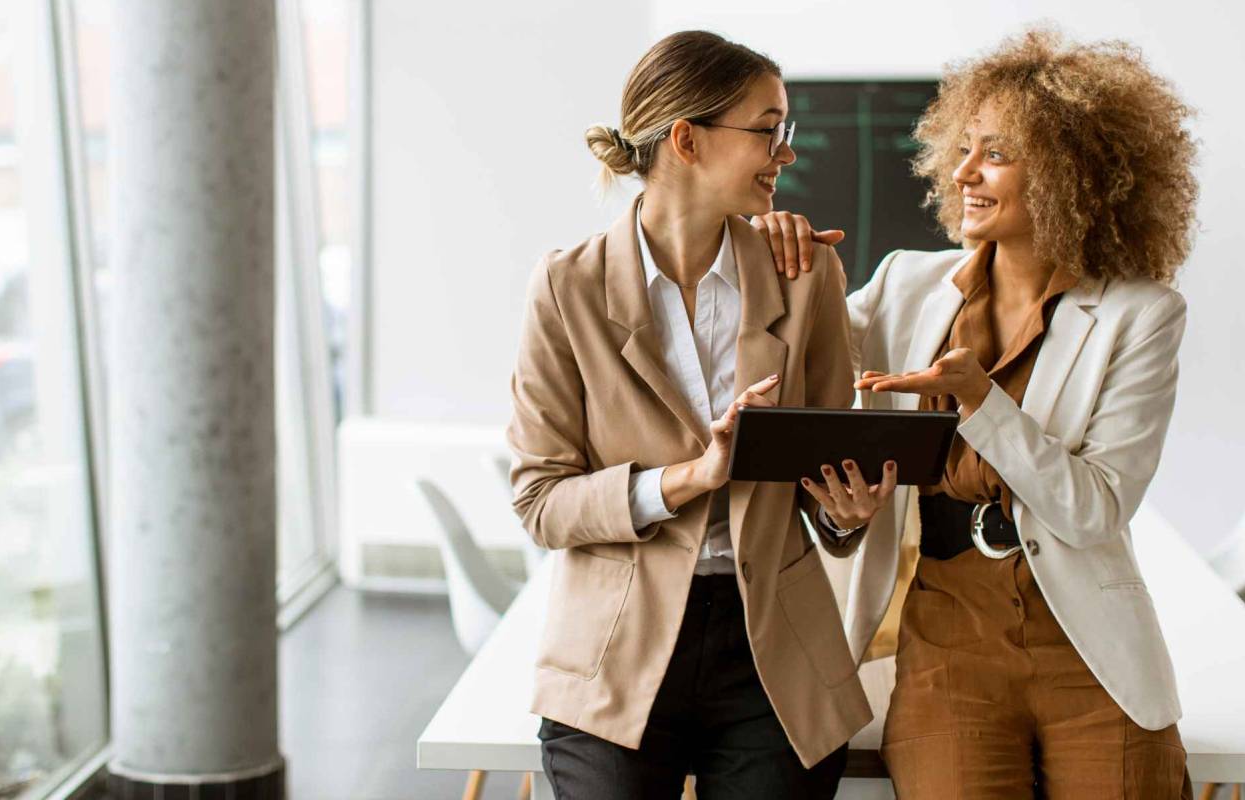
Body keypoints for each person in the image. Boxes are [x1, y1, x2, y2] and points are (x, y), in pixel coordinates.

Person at [755, 27, 1201, 798]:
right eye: (962, 149)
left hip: (1090, 649)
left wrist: (982, 404)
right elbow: (802, 366)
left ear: (1072, 174)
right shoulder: (905, 284)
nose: (962, 172)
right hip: (946, 644)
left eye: (994, 153)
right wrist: (782, 259)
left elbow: (1095, 509)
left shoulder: (1142, 315)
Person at [507, 30, 895, 800]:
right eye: (768, 129)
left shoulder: (804, 275)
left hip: (773, 654)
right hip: (615, 648)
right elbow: (540, 502)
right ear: (686, 139)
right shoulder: (566, 289)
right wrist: (690, 477)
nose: (785, 153)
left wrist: (848, 516)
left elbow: (824, 482)